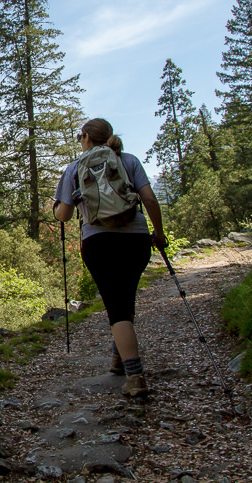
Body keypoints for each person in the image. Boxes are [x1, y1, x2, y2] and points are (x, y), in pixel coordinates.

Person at [53, 118, 167, 398]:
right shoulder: (128, 161)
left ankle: (135, 375)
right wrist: (159, 233)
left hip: (99, 241)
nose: (80, 141)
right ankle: (119, 358)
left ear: (88, 138)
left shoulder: (74, 168)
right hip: (136, 239)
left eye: (80, 136)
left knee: (115, 306)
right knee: (125, 297)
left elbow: (64, 215)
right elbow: (150, 200)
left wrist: (57, 208)